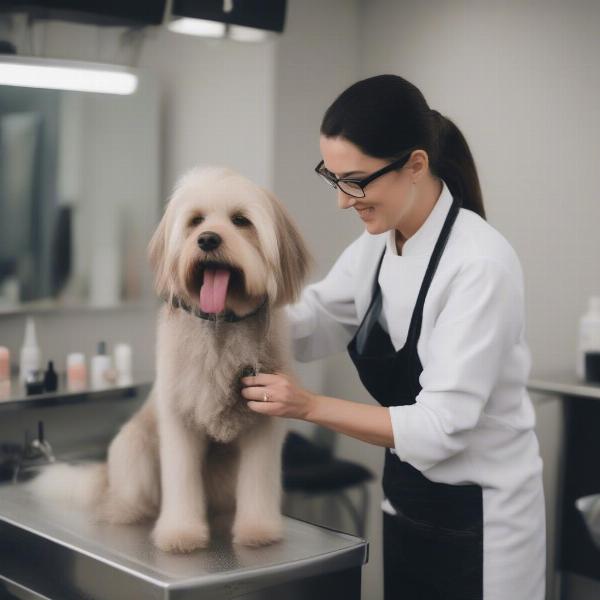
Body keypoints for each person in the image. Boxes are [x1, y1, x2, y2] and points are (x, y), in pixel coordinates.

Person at [240, 74, 546, 600]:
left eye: (356, 180)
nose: (343, 201)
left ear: (416, 165)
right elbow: (315, 322)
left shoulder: (479, 265)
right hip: (407, 500)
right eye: (333, 178)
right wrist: (234, 315)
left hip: (483, 521)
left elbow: (438, 428)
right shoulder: (377, 247)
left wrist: (307, 405)